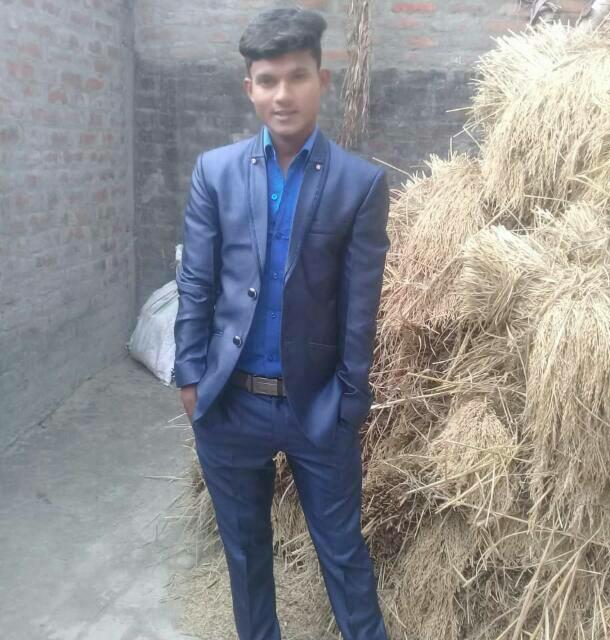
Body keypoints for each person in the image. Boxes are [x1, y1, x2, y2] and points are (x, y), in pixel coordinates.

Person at [174, 7, 390, 639]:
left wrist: (349, 399)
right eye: (267, 80)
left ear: (322, 80)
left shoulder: (360, 184)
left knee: (343, 554)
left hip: (316, 406)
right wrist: (190, 376)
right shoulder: (215, 172)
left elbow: (360, 307)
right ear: (250, 88)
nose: (282, 94)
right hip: (229, 402)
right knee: (244, 557)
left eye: (297, 77)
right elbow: (196, 283)